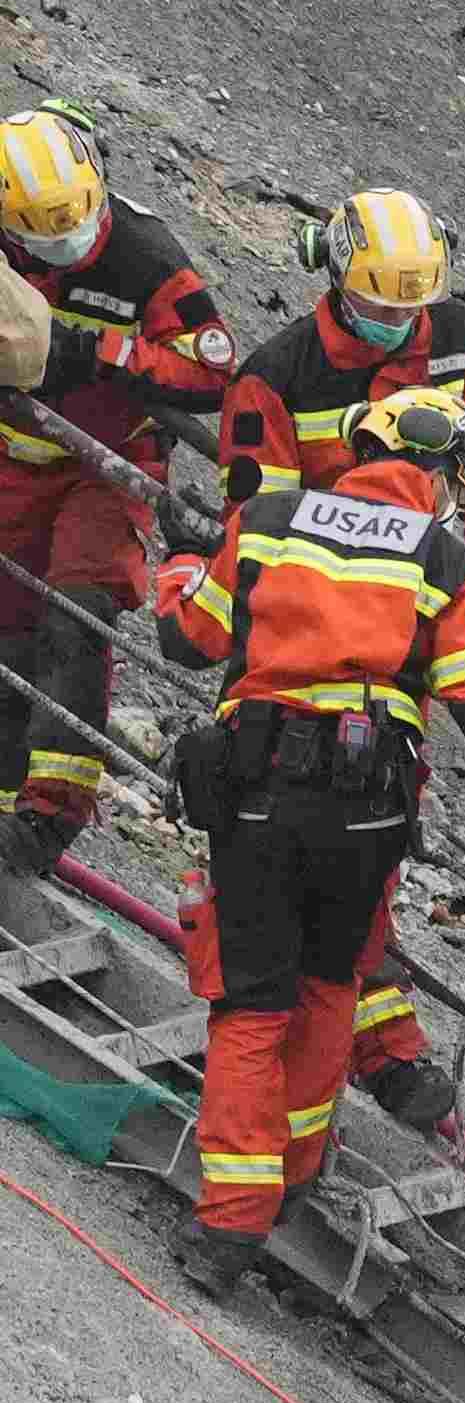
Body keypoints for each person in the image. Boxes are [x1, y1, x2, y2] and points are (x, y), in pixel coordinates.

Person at [154, 385, 465, 1286]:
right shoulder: (442, 556)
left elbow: (188, 639)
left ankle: (229, 1229)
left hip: (259, 792)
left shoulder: (269, 520)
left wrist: (179, 564)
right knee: (329, 988)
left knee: (251, 1007)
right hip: (369, 812)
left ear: (363, 448)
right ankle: (294, 1178)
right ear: (446, 482)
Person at [0, 110, 228, 873]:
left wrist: (102, 353)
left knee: (78, 609)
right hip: (16, 459)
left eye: (76, 217)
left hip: (109, 464)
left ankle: (50, 815)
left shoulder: (141, 253)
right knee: (9, 628)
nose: (68, 239)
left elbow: (210, 369)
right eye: (44, 231)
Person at [219, 191, 465, 664]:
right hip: (310, 599)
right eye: (378, 306)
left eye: (411, 305)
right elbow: (257, 526)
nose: (397, 320)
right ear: (337, 279)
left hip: (421, 585)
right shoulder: (275, 377)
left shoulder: (456, 339)